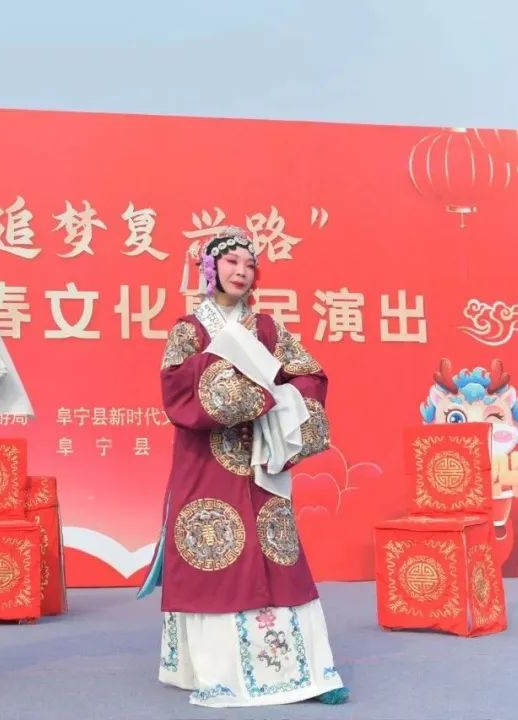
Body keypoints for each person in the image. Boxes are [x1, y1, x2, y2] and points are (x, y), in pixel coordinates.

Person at [137, 226, 349, 708]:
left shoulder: (269, 329)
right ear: (210, 269)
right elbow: (176, 390)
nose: (242, 271)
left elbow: (309, 375)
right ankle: (217, 673)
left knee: (278, 554)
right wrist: (252, 388)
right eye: (231, 262)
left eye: (249, 265)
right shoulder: (189, 330)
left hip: (262, 460)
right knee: (216, 553)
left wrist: (285, 399)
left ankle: (312, 671)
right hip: (206, 462)